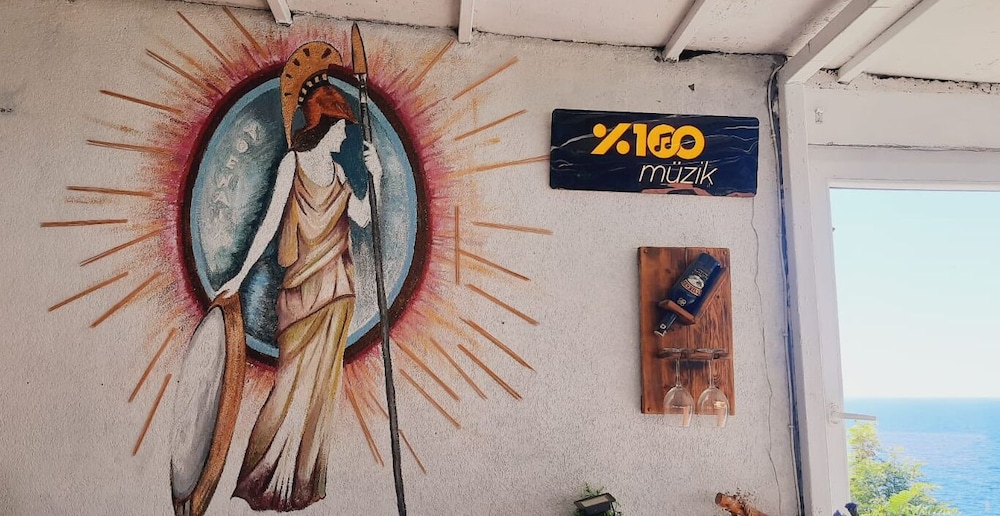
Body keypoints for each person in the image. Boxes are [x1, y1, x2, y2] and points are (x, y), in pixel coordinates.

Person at [218, 48, 383, 511]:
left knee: (319, 392)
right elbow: (270, 223)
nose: (344, 133)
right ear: (322, 124)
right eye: (340, 126)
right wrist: (241, 275)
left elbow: (363, 218)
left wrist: (377, 175)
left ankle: (301, 481)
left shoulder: (340, 171)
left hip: (337, 293)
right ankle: (263, 476)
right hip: (301, 295)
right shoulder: (293, 164)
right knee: (290, 385)